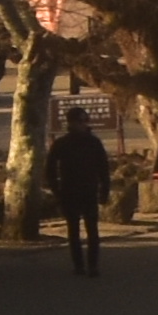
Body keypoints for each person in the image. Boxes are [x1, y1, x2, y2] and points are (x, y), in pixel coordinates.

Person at [37, 105, 116, 276]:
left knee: (92, 230)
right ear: (71, 123)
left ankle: (93, 265)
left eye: (84, 121)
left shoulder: (94, 143)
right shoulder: (62, 143)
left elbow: (103, 168)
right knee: (73, 230)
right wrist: (56, 191)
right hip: (69, 191)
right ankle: (78, 265)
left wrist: (104, 191)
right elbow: (50, 169)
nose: (82, 125)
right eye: (79, 122)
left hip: (89, 190)